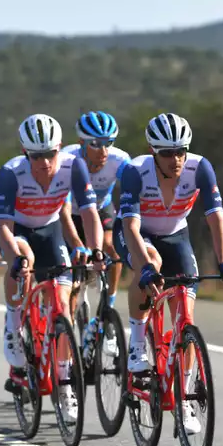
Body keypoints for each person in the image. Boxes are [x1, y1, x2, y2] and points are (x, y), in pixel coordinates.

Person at [115, 112, 223, 434]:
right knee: (150, 262)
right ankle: (138, 342)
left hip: (176, 235)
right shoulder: (135, 171)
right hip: (138, 235)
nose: (176, 159)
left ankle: (183, 398)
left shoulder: (200, 168)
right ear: (154, 152)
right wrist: (144, 268)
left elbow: (216, 218)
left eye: (181, 151)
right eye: (167, 153)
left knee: (185, 314)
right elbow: (130, 225)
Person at [0, 114, 103, 421]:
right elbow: (2, 227)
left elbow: (90, 213)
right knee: (23, 266)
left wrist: (93, 250)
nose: (44, 163)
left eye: (50, 154)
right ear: (24, 152)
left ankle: (65, 381)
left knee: (63, 307)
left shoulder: (73, 165)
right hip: (18, 233)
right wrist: (14, 257)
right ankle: (14, 325)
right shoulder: (11, 173)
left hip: (51, 230)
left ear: (59, 149)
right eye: (35, 156)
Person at [62, 111, 130, 309]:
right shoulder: (68, 159)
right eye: (96, 144)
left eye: (109, 143)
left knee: (112, 246)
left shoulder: (119, 160)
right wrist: (76, 243)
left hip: (102, 208)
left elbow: (137, 193)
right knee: (74, 271)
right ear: (81, 142)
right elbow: (63, 210)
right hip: (71, 212)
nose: (103, 151)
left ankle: (108, 304)